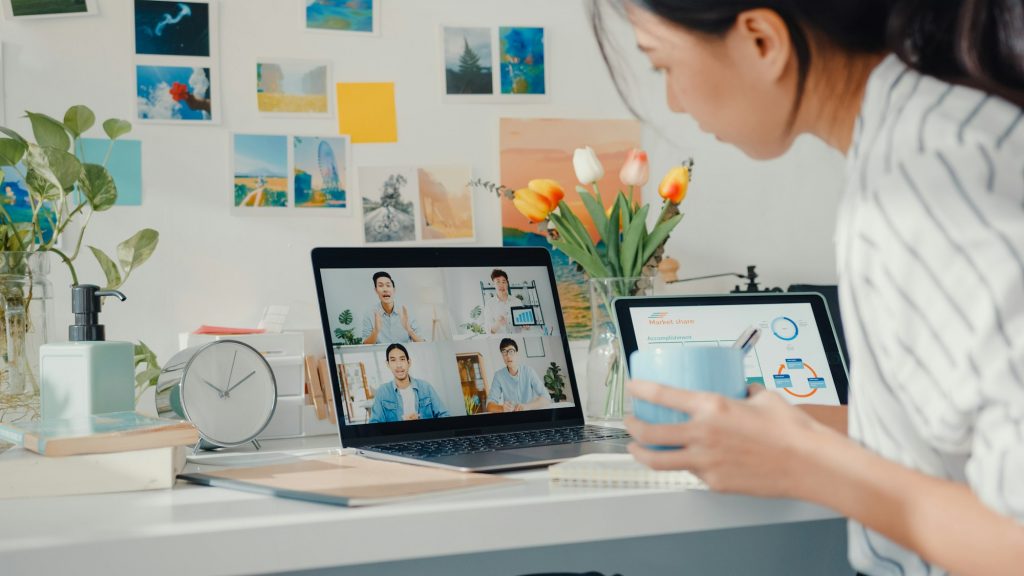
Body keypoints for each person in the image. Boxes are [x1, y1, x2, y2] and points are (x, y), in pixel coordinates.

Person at [592, 1, 1024, 574]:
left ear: (762, 41)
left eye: (661, 65)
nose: (673, 100)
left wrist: (803, 463)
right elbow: (948, 443)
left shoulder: (921, 189)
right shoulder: (934, 136)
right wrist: (778, 429)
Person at [369, 343, 448, 423]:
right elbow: (374, 425)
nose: (398, 365)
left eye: (402, 359)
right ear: (388, 364)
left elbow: (444, 415)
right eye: (393, 360)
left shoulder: (425, 387)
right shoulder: (382, 392)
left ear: (409, 362)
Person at [486, 338, 551, 413]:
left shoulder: (529, 371)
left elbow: (546, 398)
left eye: (511, 351)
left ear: (517, 353)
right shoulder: (498, 376)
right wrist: (502, 408)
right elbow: (489, 405)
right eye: (504, 352)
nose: (508, 356)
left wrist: (527, 406)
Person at [361, 271, 424, 344]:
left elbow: (422, 343)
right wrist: (376, 331)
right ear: (376, 290)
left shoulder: (406, 312)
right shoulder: (369, 313)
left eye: (388, 285)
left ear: (394, 290)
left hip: (403, 354)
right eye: (381, 286)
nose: (385, 289)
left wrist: (408, 329)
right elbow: (365, 345)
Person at [483, 269, 515, 334]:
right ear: (493, 285)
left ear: (507, 284)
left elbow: (525, 327)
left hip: (518, 340)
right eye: (498, 282)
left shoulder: (517, 301)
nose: (501, 285)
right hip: (500, 341)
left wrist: (526, 327)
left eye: (503, 282)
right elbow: (489, 331)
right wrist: (498, 324)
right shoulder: (489, 304)